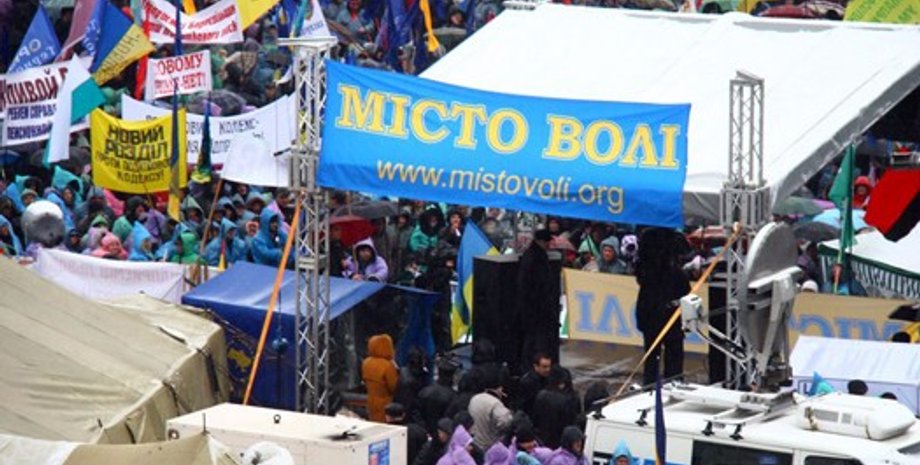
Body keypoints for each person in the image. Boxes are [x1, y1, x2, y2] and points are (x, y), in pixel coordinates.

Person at [635, 228, 690, 385]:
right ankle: (669, 383)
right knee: (668, 355)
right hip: (661, 314)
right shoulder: (663, 270)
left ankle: (654, 384)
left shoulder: (646, 268)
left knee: (654, 356)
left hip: (657, 314)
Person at [517, 229, 560, 365]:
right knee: (534, 340)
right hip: (536, 308)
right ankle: (529, 364)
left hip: (531, 307)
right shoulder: (536, 258)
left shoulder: (531, 255)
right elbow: (539, 285)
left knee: (532, 339)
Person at [531, 367, 579, 449]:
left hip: (542, 439)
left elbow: (535, 418)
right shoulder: (568, 400)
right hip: (559, 441)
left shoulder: (541, 395)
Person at [468, 370, 514, 451]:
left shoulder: (475, 398)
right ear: (499, 388)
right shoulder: (495, 403)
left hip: (474, 442)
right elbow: (506, 422)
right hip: (489, 445)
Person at [362, 334, 399, 422]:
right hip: (385, 402)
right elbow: (393, 387)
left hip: (371, 400)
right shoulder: (388, 366)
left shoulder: (366, 362)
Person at [419, 359, 459, 435]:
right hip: (442, 434)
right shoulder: (453, 397)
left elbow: (417, 413)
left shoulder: (425, 391)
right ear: (452, 376)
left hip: (425, 432)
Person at [517, 353, 552, 417]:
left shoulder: (549, 378)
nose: (548, 369)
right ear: (536, 366)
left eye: (549, 366)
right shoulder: (528, 382)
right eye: (544, 367)